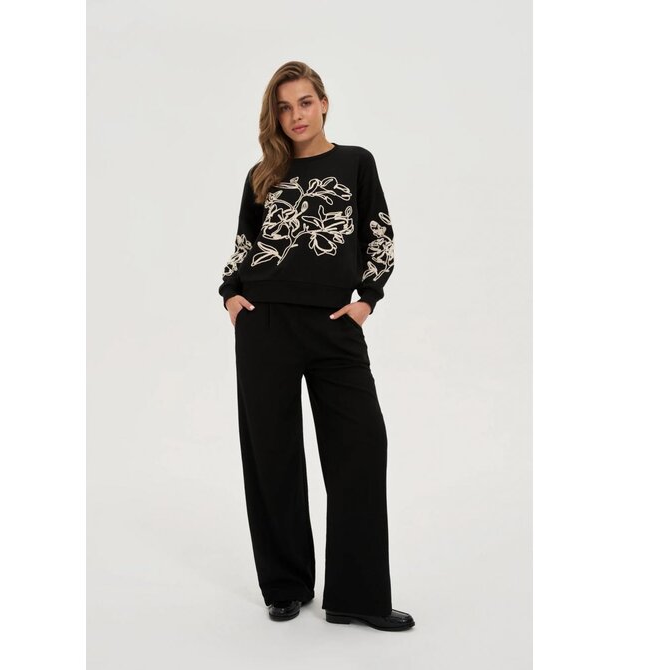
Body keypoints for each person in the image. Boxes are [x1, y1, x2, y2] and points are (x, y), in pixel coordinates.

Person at [218, 60, 414, 632]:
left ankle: (358, 596)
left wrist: (367, 299)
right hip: (265, 324)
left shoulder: (356, 162)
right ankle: (285, 586)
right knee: (272, 456)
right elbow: (244, 245)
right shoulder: (263, 174)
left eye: (304, 102)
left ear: (323, 103)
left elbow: (379, 235)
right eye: (284, 107)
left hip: (334, 326)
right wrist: (231, 295)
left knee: (361, 449)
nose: (295, 115)